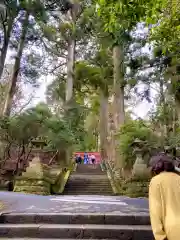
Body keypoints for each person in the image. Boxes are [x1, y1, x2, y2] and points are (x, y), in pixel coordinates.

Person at [149, 153, 180, 240]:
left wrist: (160, 236)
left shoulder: (156, 181)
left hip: (172, 229)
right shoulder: (178, 178)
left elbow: (155, 211)